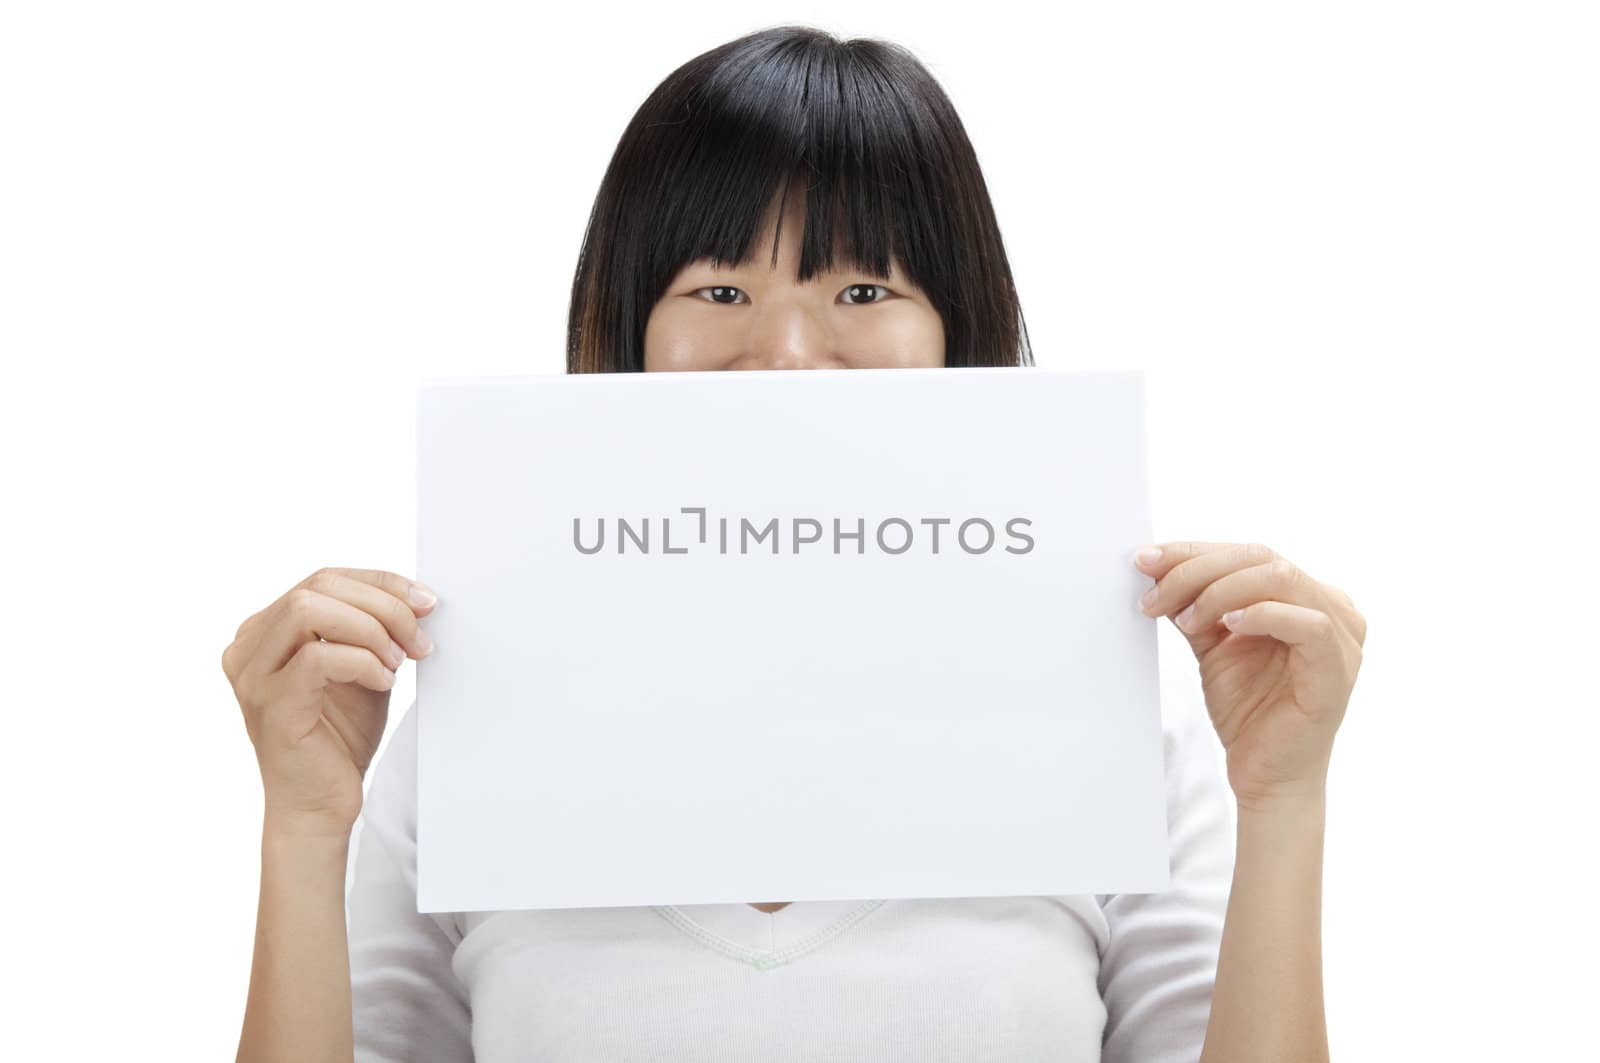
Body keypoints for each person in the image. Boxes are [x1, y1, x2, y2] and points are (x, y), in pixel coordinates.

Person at [229, 24, 1361, 1063]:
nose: (782, 352)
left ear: (956, 331)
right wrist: (302, 819)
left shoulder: (1113, 730)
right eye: (718, 286)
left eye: (863, 287)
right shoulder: (475, 737)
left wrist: (1284, 799)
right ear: (625, 337)